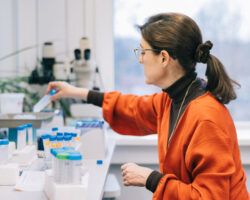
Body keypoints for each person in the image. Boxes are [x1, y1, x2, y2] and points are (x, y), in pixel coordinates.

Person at [47, 13, 249, 200]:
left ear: (163, 58)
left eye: (143, 51)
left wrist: (150, 179)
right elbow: (132, 108)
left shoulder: (206, 118)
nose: (141, 59)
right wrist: (76, 92)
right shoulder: (172, 100)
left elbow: (210, 197)